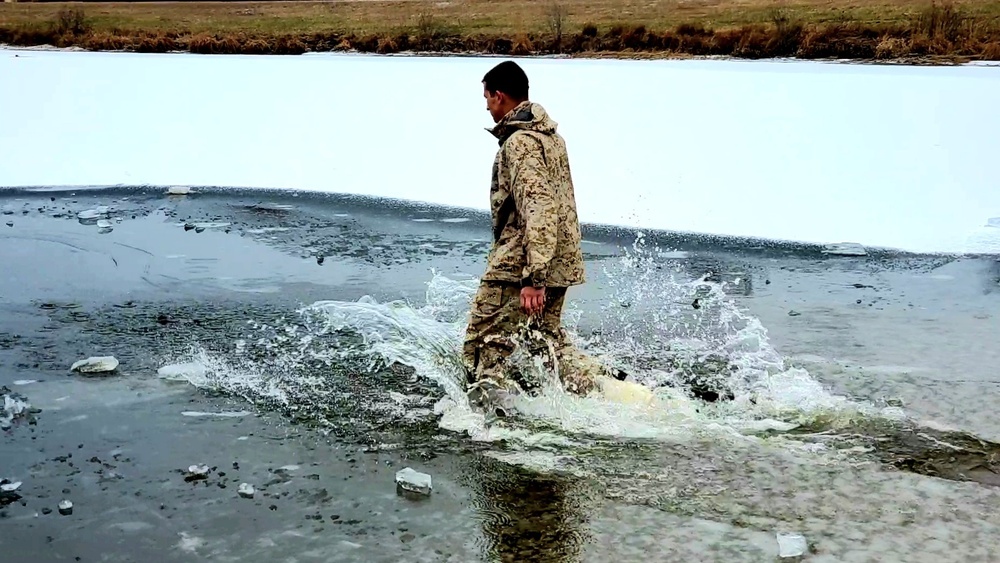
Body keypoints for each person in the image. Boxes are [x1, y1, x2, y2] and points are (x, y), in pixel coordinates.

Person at [462, 60, 620, 416]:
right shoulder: (551, 137)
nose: (486, 106)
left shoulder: (520, 143)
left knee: (482, 345)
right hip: (557, 260)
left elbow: (540, 207)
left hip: (521, 264)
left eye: (486, 98)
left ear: (499, 96)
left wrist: (534, 278)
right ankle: (607, 392)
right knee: (543, 343)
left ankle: (488, 427)